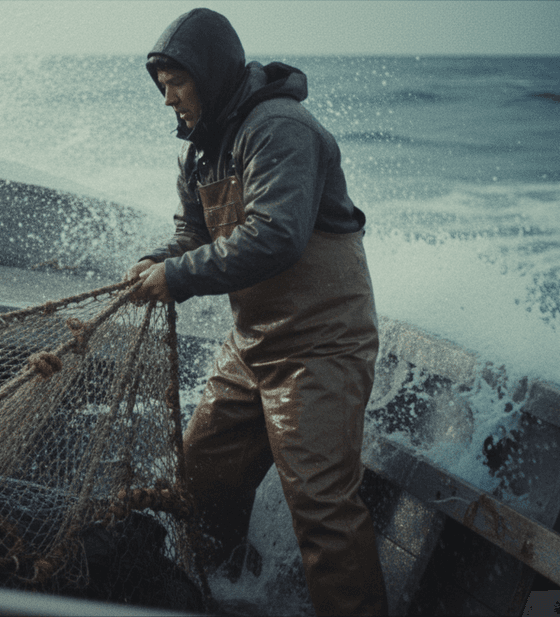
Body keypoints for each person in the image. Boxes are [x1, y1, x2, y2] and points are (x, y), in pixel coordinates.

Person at [127, 8, 388, 616]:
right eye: (161, 85)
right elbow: (192, 237)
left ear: (211, 73)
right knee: (200, 477)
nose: (168, 99)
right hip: (253, 347)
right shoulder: (199, 152)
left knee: (322, 509)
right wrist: (154, 263)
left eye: (178, 82)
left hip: (321, 347)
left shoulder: (279, 127)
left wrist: (178, 276)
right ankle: (220, 594)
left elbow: (277, 236)